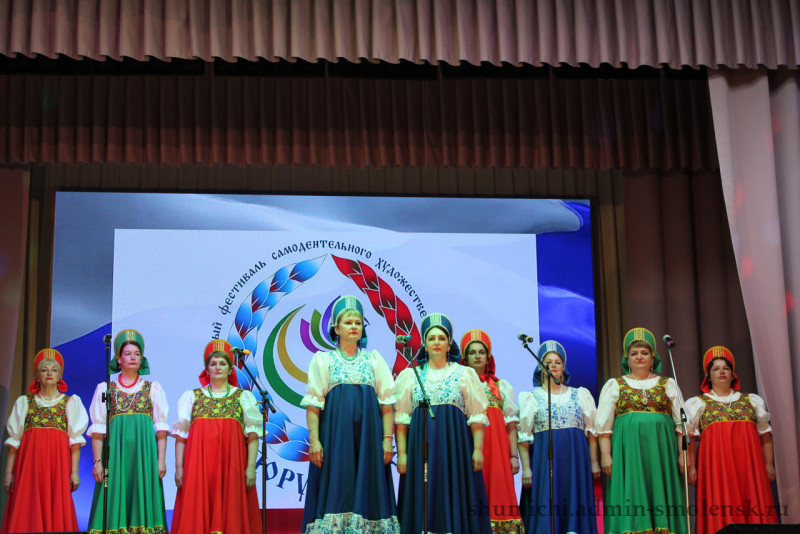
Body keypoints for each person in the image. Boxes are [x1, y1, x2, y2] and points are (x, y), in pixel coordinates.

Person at [301, 295, 399, 533]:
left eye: (358, 323)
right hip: (335, 439)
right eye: (348, 322)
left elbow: (387, 405)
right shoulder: (324, 360)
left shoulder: (374, 360)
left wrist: (388, 440)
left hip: (369, 440)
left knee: (369, 485)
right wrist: (315, 441)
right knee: (337, 485)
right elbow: (314, 405)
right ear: (336, 328)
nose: (354, 326)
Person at [394, 313, 492, 534]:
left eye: (441, 338)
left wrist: (477, 450)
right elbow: (401, 420)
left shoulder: (464, 374)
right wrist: (403, 454)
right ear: (424, 345)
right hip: (420, 452)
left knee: (456, 490)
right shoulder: (410, 376)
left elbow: (476, 417)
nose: (436, 342)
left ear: (449, 344)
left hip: (455, 450)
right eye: (431, 338)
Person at [596, 327, 688, 534]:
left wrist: (683, 455)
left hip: (661, 453)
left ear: (652, 358)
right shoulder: (615, 385)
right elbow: (604, 426)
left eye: (644, 353)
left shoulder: (668, 384)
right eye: (634, 353)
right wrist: (605, 455)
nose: (639, 357)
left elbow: (681, 424)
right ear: (627, 359)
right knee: (632, 494)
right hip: (628, 455)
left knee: (662, 493)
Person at [171, 339, 264, 533]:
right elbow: (181, 438)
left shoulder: (243, 397)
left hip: (232, 467)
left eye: (223, 363)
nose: (218, 367)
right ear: (206, 369)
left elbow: (253, 436)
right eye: (213, 364)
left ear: (230, 369)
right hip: (198, 468)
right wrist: (179, 468)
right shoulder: (192, 396)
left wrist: (250, 468)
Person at [685, 346, 778, 534]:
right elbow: (690, 438)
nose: (721, 372)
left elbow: (765, 434)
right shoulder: (698, 403)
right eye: (716, 369)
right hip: (716, 470)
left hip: (750, 469)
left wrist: (769, 464)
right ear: (708, 376)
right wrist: (692, 467)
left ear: (732, 373)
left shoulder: (751, 401)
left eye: (726, 368)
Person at [86, 329, 169, 534]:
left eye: (137, 354)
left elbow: (160, 430)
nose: (133, 357)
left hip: (144, 457)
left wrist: (161, 460)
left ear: (142, 359)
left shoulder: (152, 388)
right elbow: (98, 432)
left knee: (142, 493)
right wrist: (98, 462)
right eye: (128, 354)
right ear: (118, 359)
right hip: (116, 457)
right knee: (114, 494)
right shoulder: (106, 389)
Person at [1, 348, 89, 533]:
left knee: (56, 508)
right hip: (29, 468)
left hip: (57, 468)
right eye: (44, 370)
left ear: (59, 376)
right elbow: (14, 443)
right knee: (27, 508)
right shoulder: (25, 402)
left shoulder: (70, 403)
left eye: (54, 370)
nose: (49, 373)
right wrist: (8, 473)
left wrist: (74, 473)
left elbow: (74, 443)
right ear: (37, 376)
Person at [518, 340, 599, 534]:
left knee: (575, 500)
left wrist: (594, 462)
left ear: (563, 367)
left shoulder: (580, 395)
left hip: (575, 463)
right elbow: (523, 437)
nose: (553, 366)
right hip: (544, 464)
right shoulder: (532, 398)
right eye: (548, 362)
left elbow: (591, 433)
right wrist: (526, 468)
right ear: (540, 367)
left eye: (557, 362)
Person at [460, 328, 523, 534]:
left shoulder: (500, 386)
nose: (477, 356)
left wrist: (513, 456)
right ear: (465, 357)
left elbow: (510, 425)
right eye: (472, 352)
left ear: (488, 357)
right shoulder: (459, 384)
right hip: (470, 448)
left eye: (481, 352)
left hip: (497, 452)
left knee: (498, 494)